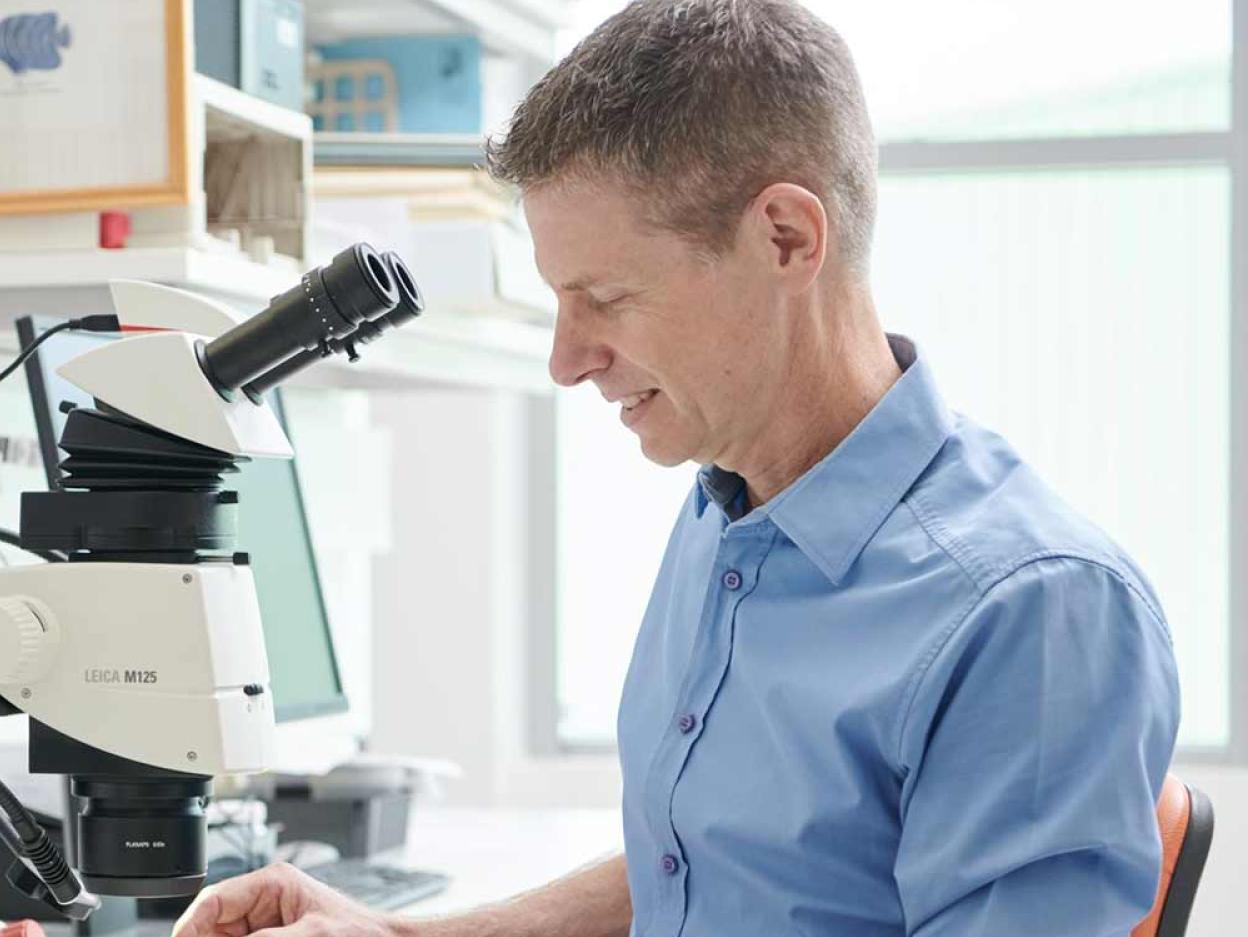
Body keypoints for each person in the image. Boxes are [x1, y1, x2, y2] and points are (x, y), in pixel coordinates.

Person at [173, 1, 1182, 934]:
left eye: (604, 298)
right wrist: (398, 932)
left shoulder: (1032, 615)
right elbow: (719, 857)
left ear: (783, 238)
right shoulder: (729, 508)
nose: (566, 360)